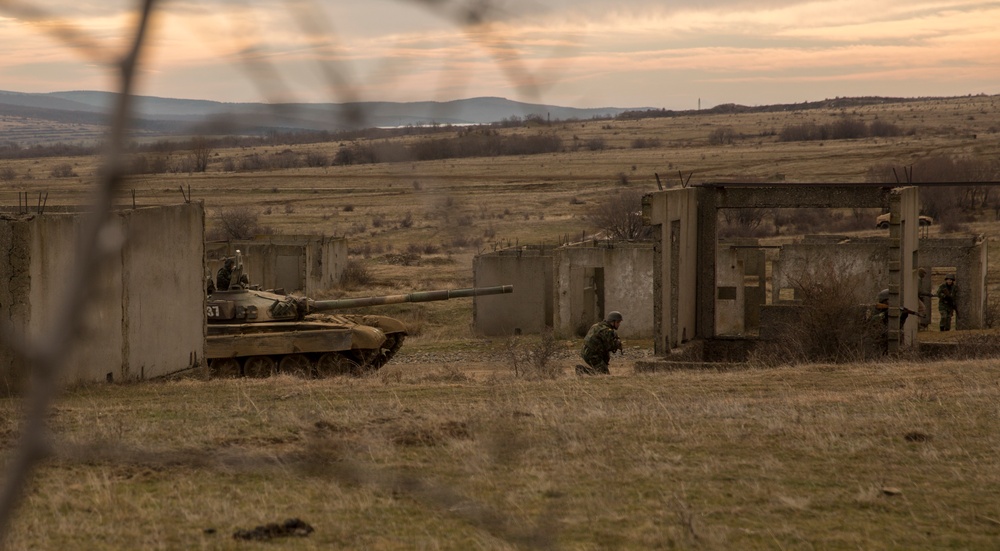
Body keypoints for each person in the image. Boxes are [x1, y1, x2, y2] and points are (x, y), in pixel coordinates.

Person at [577, 311, 623, 375]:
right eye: (618, 322)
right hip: (592, 354)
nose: (619, 324)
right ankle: (582, 370)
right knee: (603, 374)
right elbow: (610, 346)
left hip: (587, 351)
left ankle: (585, 370)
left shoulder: (598, 325)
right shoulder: (607, 331)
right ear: (613, 322)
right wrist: (617, 343)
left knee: (602, 368)